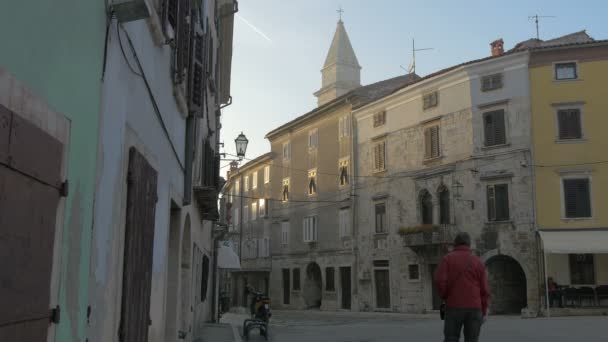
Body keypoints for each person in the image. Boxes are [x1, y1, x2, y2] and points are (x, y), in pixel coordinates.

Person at [435, 232, 490, 342]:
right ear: (469, 244)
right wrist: (484, 310)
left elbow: (440, 281)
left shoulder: (447, 259)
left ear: (455, 244)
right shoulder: (478, 262)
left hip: (453, 306)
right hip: (474, 308)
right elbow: (484, 290)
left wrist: (445, 296)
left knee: (451, 338)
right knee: (472, 340)